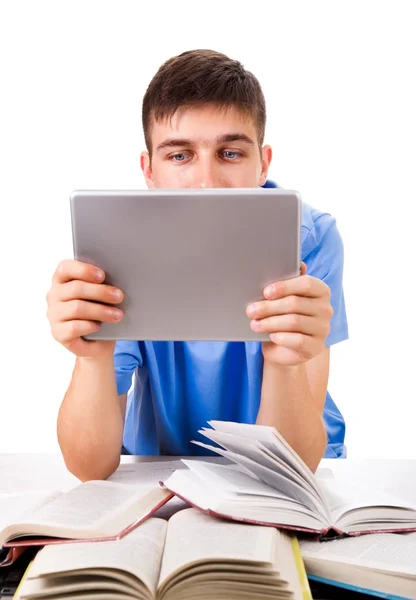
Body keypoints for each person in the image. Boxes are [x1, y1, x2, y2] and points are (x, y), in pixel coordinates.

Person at [46, 49, 348, 481]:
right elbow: (90, 468)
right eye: (179, 155)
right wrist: (91, 358)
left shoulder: (311, 238)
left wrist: (286, 362)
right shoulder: (119, 244)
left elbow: (291, 469)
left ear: (262, 164)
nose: (207, 183)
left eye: (229, 154)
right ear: (149, 170)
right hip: (161, 465)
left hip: (290, 457)